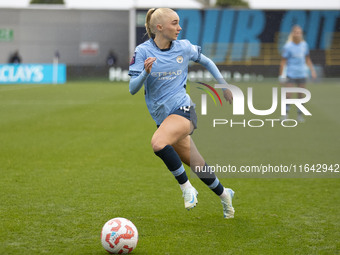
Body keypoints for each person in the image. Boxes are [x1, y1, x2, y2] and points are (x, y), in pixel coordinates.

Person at [128, 8, 235, 219]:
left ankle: (186, 188)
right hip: (164, 119)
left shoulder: (184, 47)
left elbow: (207, 61)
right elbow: (132, 88)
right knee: (198, 165)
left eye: (179, 23)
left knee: (158, 143)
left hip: (184, 111)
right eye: (174, 23)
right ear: (159, 27)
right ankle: (225, 196)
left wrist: (223, 85)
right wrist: (144, 73)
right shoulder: (143, 51)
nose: (180, 27)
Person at [279, 25, 317, 122]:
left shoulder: (304, 45)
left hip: (302, 74)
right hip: (291, 73)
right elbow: (283, 61)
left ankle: (299, 115)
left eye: (299, 32)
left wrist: (312, 70)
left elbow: (307, 59)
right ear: (293, 33)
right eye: (296, 32)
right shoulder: (288, 46)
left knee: (301, 95)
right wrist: (281, 75)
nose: (298, 34)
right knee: (288, 95)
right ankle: (285, 115)